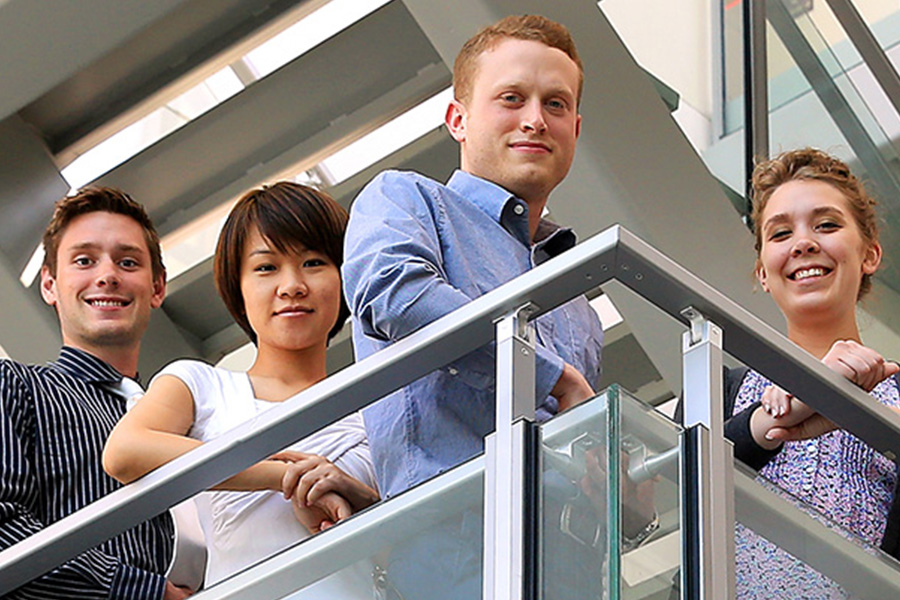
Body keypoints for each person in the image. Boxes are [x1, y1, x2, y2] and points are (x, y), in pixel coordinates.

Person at [343, 15, 609, 599]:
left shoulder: (580, 298)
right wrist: (552, 376)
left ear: (576, 128)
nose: (536, 119)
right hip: (455, 549)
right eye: (511, 98)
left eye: (556, 105)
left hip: (578, 569)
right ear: (457, 118)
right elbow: (395, 293)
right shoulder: (406, 199)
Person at [103, 182, 378, 594]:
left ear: (345, 276)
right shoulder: (202, 383)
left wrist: (352, 492)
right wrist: (284, 477)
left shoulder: (379, 402)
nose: (292, 286)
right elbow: (125, 452)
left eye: (314, 262)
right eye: (266, 267)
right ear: (238, 286)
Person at [724, 148, 900, 598]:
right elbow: (689, 483)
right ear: (763, 271)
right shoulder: (719, 387)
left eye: (826, 225)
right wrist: (779, 416)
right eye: (780, 232)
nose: (804, 243)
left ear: (870, 254)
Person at [0, 187, 187, 599]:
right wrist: (146, 593)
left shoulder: (191, 417)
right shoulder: (15, 387)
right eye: (84, 260)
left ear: (157, 288)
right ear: (49, 284)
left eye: (128, 262)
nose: (107, 275)